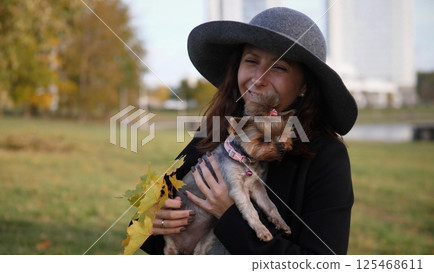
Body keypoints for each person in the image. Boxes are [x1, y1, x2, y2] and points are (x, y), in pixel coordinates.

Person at [140, 7, 357, 254]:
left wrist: (230, 216)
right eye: (251, 61)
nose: (258, 78)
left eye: (279, 67)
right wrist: (155, 220)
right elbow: (146, 225)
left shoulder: (327, 157)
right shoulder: (217, 130)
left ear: (304, 85)